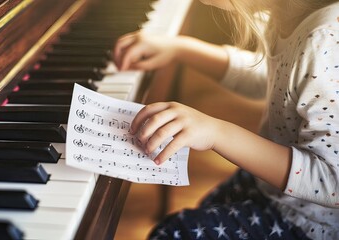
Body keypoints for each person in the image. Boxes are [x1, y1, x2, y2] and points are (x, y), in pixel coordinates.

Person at [114, 0, 339, 239]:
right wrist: (182, 49)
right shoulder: (288, 13)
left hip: (311, 223)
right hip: (275, 188)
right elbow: (282, 80)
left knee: (174, 233)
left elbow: (332, 182)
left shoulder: (325, 38)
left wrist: (216, 133)